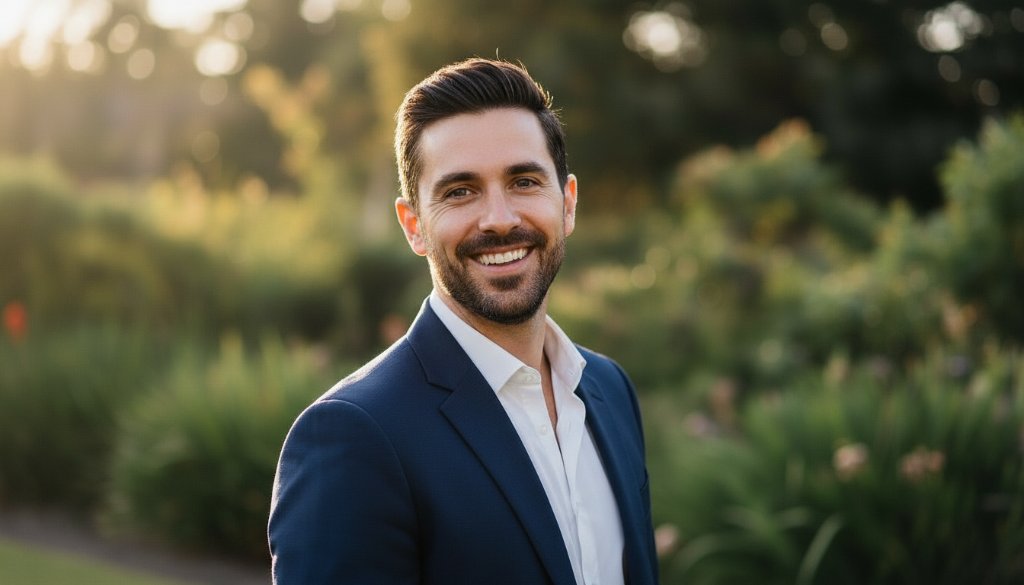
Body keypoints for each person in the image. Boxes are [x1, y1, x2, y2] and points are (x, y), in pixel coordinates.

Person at [268, 58, 659, 585]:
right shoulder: (354, 436)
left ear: (567, 204)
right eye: (460, 191)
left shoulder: (610, 390)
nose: (499, 219)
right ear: (414, 226)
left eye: (524, 181)